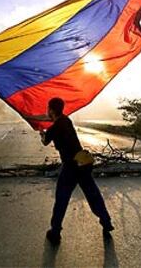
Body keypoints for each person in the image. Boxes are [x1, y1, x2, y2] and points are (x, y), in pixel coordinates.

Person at [39, 97, 114, 245]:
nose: (47, 111)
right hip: (82, 163)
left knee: (62, 199)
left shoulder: (54, 127)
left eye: (48, 109)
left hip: (70, 167)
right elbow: (53, 122)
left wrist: (41, 132)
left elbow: (45, 141)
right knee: (93, 195)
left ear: (52, 110)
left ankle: (55, 232)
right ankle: (106, 222)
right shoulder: (66, 120)